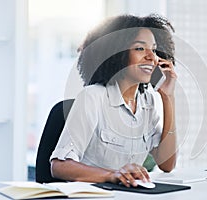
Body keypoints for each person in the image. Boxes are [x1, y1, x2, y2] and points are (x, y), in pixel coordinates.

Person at [50, 14, 177, 187]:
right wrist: (113, 175)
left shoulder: (148, 102)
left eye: (153, 50)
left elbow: (167, 164)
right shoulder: (92, 97)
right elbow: (59, 166)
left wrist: (168, 97)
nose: (151, 57)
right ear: (117, 54)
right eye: (140, 49)